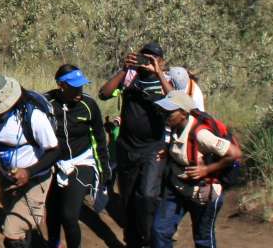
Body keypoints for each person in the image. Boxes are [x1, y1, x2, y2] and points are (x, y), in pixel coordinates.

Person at [98, 42, 172, 248]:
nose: (146, 62)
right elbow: (104, 93)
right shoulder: (129, 78)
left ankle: (149, 239)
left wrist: (158, 73)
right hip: (127, 148)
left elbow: (175, 102)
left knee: (147, 195)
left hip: (153, 149)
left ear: (161, 61)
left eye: (152, 59)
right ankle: (132, 241)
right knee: (128, 199)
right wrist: (124, 69)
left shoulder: (164, 82)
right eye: (143, 57)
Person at [0, 73, 61, 248]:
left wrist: (28, 172)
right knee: (15, 221)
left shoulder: (33, 116)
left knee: (12, 234)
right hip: (7, 178)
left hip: (36, 179)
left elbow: (55, 151)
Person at [152, 93, 241, 248]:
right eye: (163, 111)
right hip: (178, 188)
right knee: (160, 231)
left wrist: (206, 169)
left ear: (184, 113)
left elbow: (235, 154)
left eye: (169, 112)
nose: (164, 115)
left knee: (203, 239)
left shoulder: (201, 135)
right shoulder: (174, 127)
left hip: (203, 192)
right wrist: (169, 152)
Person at [46, 64, 113, 248]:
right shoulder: (46, 104)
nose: (79, 90)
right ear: (61, 85)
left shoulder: (88, 105)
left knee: (68, 215)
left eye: (81, 86)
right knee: (52, 210)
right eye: (74, 86)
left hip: (81, 162)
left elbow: (99, 139)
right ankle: (54, 243)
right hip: (53, 163)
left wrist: (104, 170)